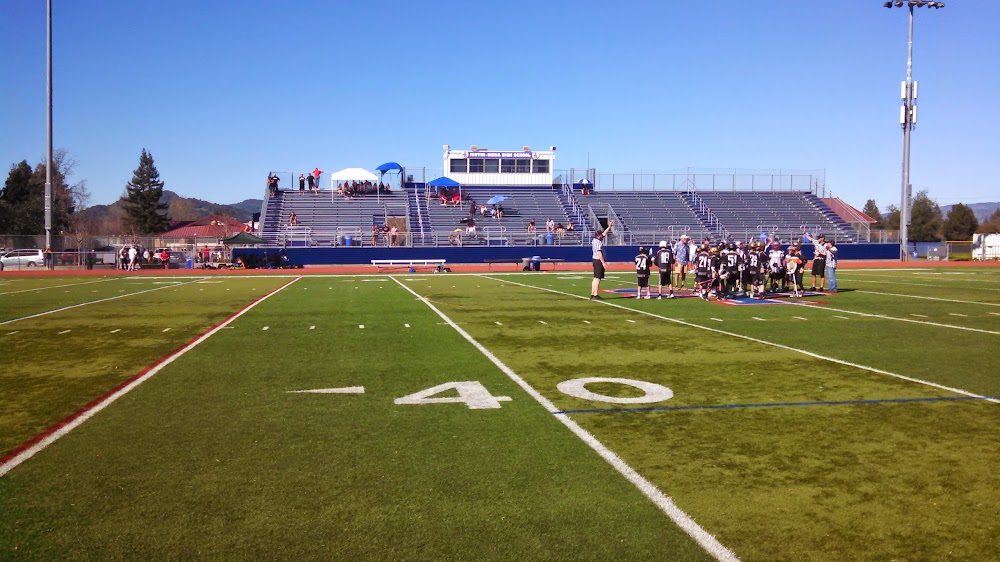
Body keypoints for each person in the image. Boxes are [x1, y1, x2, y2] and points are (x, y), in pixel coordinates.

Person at [590, 220, 614, 300]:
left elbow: (604, 233)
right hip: (598, 260)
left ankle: (593, 293)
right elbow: (599, 253)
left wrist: (609, 226)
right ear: (598, 236)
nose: (601, 236)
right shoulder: (598, 242)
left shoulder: (595, 240)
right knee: (598, 278)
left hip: (594, 259)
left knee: (595, 277)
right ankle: (595, 294)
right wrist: (603, 262)